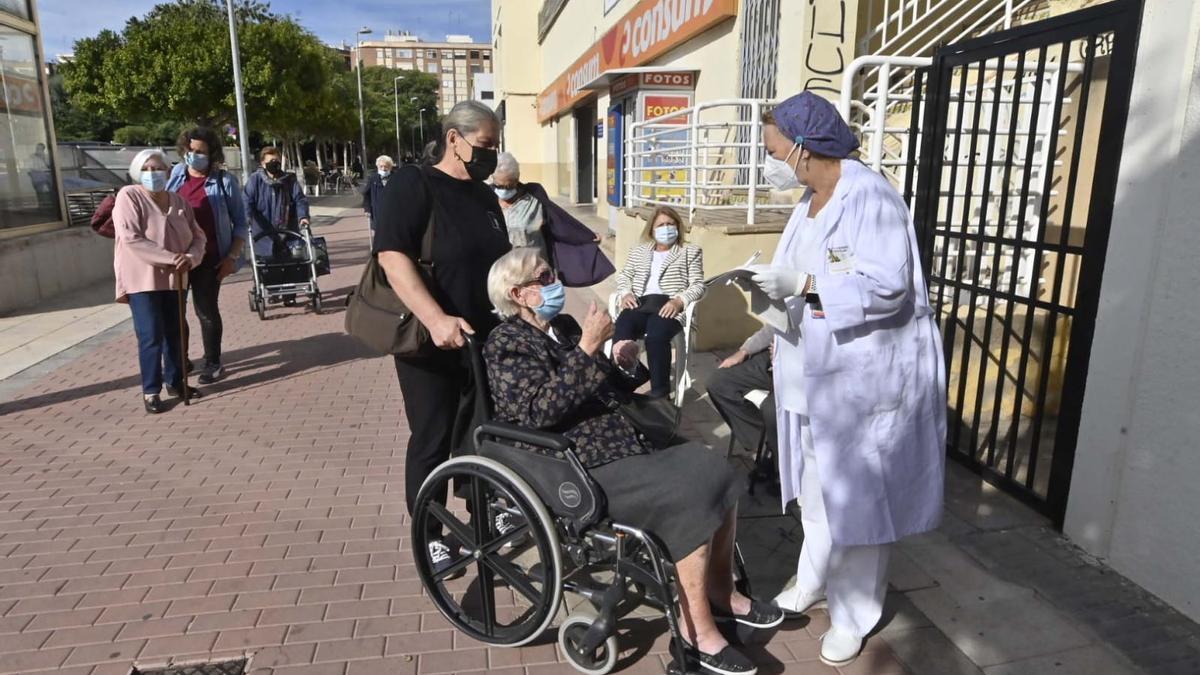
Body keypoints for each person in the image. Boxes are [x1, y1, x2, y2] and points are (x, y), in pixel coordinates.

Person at [485, 248, 781, 675]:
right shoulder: (506, 343)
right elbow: (538, 412)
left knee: (718, 469)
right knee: (691, 490)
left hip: (619, 437)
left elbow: (603, 383)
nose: (555, 281)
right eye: (545, 275)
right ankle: (695, 630)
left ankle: (719, 591)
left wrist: (618, 360)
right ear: (518, 293)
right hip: (574, 459)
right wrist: (588, 348)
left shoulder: (561, 326)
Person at [746, 92, 946, 667]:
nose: (771, 161)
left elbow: (889, 286)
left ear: (805, 149)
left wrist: (806, 282)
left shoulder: (871, 197)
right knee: (815, 487)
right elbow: (793, 280)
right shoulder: (808, 199)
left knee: (858, 495)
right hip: (811, 374)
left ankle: (854, 613)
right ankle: (811, 578)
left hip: (861, 377)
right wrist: (763, 321)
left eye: (774, 150)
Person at [372, 101, 512, 572]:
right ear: (454, 138)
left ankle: (482, 514)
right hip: (431, 339)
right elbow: (393, 256)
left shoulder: (483, 194)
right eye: (485, 145)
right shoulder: (413, 183)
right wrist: (435, 318)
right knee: (432, 437)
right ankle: (429, 530)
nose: (491, 155)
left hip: (482, 336)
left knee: (480, 433)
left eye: (495, 146)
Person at [112, 149, 207, 413]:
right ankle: (151, 391)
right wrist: (170, 258)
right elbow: (131, 238)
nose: (153, 174)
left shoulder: (179, 201)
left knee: (175, 333)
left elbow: (198, 236)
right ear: (137, 172)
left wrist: (191, 257)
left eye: (157, 169)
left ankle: (176, 381)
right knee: (150, 334)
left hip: (176, 278)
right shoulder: (128, 196)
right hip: (143, 279)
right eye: (147, 169)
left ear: (168, 172)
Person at [167, 127, 248, 385]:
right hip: (177, 259)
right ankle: (182, 360)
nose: (194, 156)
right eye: (190, 151)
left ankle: (213, 362)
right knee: (174, 312)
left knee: (206, 311)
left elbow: (241, 223)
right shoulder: (176, 176)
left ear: (211, 153)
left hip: (210, 259)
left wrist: (232, 258)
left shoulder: (224, 182)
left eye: (200, 152)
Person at [614, 205, 705, 398]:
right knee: (622, 329)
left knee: (656, 336)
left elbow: (698, 285)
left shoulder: (689, 251)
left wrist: (679, 301)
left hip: (668, 304)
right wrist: (625, 293)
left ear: (678, 227)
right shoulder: (639, 251)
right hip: (640, 303)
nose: (666, 228)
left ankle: (660, 392)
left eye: (670, 224)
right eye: (661, 224)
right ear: (652, 229)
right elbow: (624, 276)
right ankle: (625, 381)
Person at [491, 151, 614, 287]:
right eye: (498, 186)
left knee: (535, 306)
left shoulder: (534, 196)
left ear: (517, 178)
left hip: (533, 272)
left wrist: (585, 235)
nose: (503, 190)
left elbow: (559, 221)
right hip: (501, 271)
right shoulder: (486, 198)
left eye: (508, 186)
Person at [244, 146, 311, 305]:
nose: (274, 164)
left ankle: (289, 294)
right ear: (262, 162)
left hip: (287, 227)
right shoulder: (255, 180)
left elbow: (300, 199)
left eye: (277, 161)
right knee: (267, 261)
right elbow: (247, 201)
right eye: (270, 161)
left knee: (290, 261)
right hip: (264, 230)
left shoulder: (289, 179)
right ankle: (272, 291)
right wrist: (247, 217)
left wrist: (303, 217)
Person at [706, 325, 777, 464]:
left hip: (805, 369)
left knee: (771, 409)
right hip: (772, 360)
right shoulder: (795, 303)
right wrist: (744, 351)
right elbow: (773, 328)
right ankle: (763, 446)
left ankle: (778, 459)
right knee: (718, 382)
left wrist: (789, 354)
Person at [362, 155, 395, 246]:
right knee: (380, 236)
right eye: (381, 166)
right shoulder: (373, 179)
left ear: (390, 167)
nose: (383, 169)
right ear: (377, 167)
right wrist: (367, 209)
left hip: (393, 213)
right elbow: (366, 194)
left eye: (386, 166)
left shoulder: (396, 177)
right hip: (378, 212)